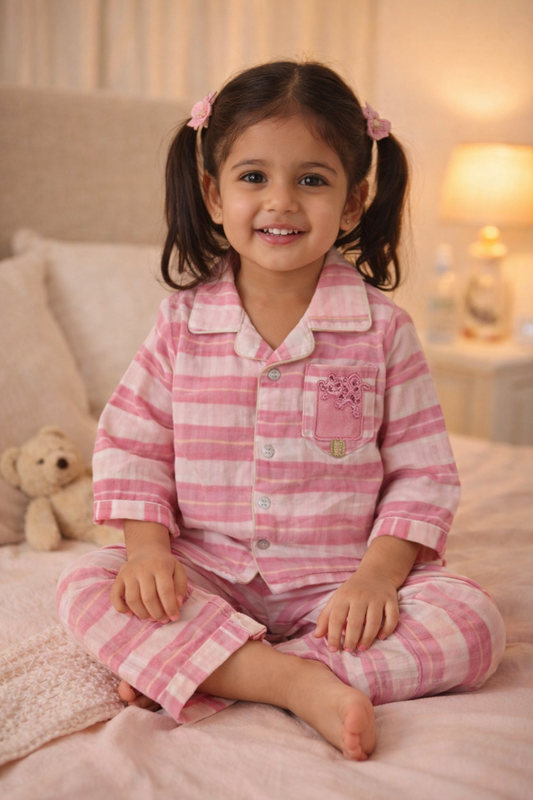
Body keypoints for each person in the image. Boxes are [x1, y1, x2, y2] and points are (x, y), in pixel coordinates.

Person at [56, 61, 506, 761]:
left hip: (339, 583)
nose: (281, 202)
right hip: (203, 573)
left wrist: (376, 578)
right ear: (214, 194)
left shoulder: (383, 331)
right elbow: (134, 445)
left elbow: (421, 474)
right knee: (85, 585)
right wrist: (147, 552)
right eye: (254, 177)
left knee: (473, 626)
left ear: (353, 203)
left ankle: (216, 666)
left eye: (312, 180)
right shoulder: (181, 325)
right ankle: (291, 681)